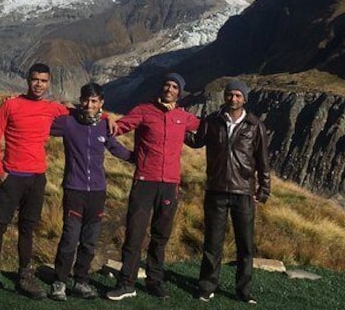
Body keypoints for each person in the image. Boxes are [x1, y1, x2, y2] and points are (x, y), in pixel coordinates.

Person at [0, 63, 70, 302]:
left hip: (37, 179)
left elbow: (80, 113)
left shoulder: (52, 108)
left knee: (27, 229)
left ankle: (25, 276)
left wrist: (105, 117)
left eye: (43, 80)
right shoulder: (10, 104)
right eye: (35, 79)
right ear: (28, 80)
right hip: (11, 177)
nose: (39, 84)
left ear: (49, 82)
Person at [106, 73, 200, 301]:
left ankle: (154, 281)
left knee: (161, 235)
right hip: (145, 181)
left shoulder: (183, 117)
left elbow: (207, 128)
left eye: (174, 86)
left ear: (179, 92)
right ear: (161, 88)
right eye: (166, 84)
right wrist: (106, 117)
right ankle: (126, 282)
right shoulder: (143, 110)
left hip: (170, 184)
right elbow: (117, 129)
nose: (169, 88)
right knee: (135, 233)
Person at [185, 79, 271, 304]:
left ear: (244, 99)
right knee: (212, 243)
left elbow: (263, 160)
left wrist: (264, 189)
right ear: (225, 96)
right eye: (230, 95)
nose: (233, 99)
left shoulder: (255, 125)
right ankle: (206, 287)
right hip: (216, 190)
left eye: (238, 95)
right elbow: (196, 141)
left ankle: (243, 291)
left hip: (244, 192)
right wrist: (175, 126)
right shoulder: (212, 121)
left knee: (245, 244)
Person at [48, 83, 134, 302]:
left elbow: (116, 149)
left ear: (101, 103)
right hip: (74, 189)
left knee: (89, 241)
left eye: (94, 101)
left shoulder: (104, 126)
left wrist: (139, 158)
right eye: (86, 100)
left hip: (97, 192)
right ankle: (59, 282)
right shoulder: (68, 123)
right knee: (69, 238)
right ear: (81, 100)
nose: (89, 105)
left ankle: (81, 281)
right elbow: (43, 122)